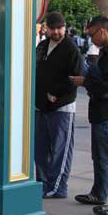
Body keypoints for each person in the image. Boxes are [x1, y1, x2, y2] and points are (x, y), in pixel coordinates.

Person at [70, 16, 108, 215]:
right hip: (101, 112)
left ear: (102, 31)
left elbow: (105, 87)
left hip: (107, 113)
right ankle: (99, 193)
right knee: (100, 157)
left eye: (92, 33)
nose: (91, 38)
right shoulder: (107, 52)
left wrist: (85, 81)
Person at [34, 12, 83, 199]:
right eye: (52, 28)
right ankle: (43, 183)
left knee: (60, 151)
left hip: (62, 109)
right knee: (40, 150)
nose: (56, 32)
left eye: (59, 28)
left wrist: (57, 95)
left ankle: (57, 186)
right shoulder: (42, 46)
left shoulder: (71, 49)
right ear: (46, 28)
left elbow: (75, 78)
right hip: (40, 107)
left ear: (65, 27)